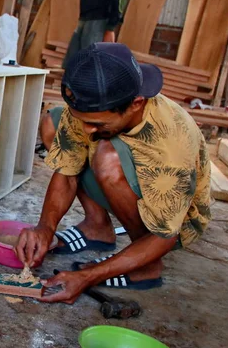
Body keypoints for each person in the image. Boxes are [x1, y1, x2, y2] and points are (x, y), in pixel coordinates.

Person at [16, 43, 212, 304]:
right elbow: (67, 173)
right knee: (54, 122)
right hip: (130, 186)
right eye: (83, 119)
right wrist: (45, 227)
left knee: (108, 158)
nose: (86, 129)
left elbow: (165, 235)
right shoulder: (95, 109)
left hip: (171, 224)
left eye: (96, 123)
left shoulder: (171, 142)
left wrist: (90, 276)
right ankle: (97, 228)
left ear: (135, 104)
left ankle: (145, 268)